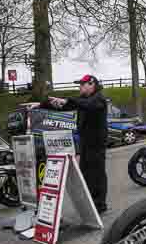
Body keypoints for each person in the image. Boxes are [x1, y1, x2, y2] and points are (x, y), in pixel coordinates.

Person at [47, 75, 109, 214]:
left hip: (97, 143)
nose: (79, 87)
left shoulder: (99, 98)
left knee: (97, 174)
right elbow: (65, 105)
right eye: (79, 84)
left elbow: (88, 105)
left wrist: (68, 100)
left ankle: (100, 204)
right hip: (85, 143)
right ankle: (91, 202)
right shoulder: (83, 100)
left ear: (91, 84)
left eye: (82, 84)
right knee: (86, 173)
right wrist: (41, 105)